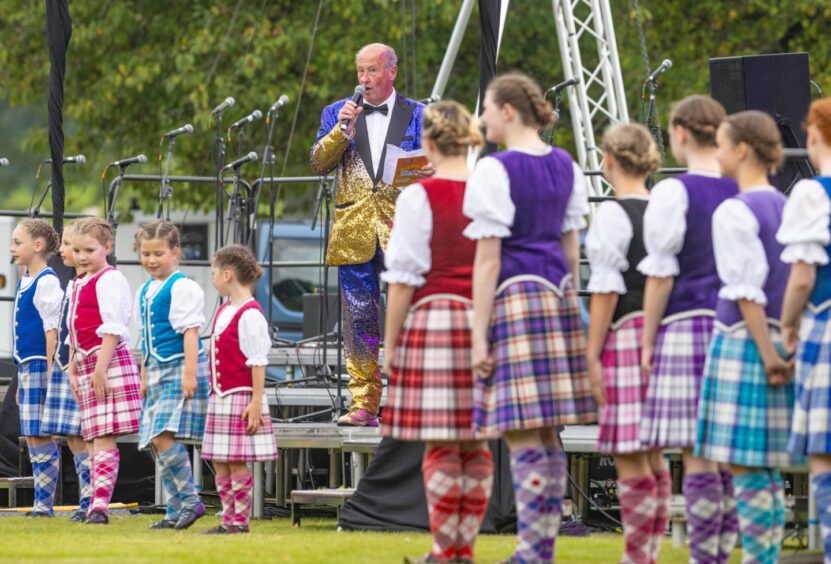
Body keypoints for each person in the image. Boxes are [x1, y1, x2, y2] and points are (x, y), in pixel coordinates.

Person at [465, 72, 595, 563]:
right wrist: (571, 305)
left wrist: (479, 334)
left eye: (487, 109)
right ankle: (539, 546)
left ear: (508, 111)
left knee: (524, 430)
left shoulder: (496, 170)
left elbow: (488, 260)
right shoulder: (566, 163)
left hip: (516, 295)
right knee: (545, 430)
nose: (481, 119)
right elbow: (570, 245)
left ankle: (533, 550)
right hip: (557, 294)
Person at [381, 100, 491, 564]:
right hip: (486, 316)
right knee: (477, 442)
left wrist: (390, 343)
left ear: (427, 144)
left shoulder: (418, 196)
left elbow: (404, 278)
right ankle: (461, 551)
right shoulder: (491, 190)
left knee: (442, 442)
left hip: (437, 316)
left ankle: (445, 552)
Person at [637, 95, 739, 563]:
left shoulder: (674, 193)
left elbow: (660, 276)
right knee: (725, 452)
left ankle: (705, 557)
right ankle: (720, 553)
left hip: (685, 324)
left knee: (697, 450)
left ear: (679, 133)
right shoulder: (743, 189)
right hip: (735, 326)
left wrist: (647, 338)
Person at [310, 42, 432, 427]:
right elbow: (318, 163)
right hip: (354, 230)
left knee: (411, 314)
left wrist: (433, 170)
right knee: (359, 318)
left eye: (372, 72)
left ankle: (413, 398)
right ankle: (364, 403)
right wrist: (341, 132)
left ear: (392, 71)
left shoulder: (419, 114)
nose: (364, 80)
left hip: (404, 229)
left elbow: (440, 163)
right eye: (360, 72)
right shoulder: (336, 112)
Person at [694, 110, 796, 563]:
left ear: (741, 149)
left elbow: (745, 292)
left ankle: (761, 559)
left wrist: (767, 353)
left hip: (746, 341)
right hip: (783, 337)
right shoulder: (786, 204)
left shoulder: (734, 210)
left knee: (748, 467)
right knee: (767, 469)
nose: (715, 153)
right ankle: (766, 557)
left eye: (719, 144)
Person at [586, 123, 669, 563]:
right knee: (653, 451)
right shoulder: (664, 210)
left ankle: (638, 554)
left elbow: (605, 289)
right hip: (662, 335)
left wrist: (593, 352)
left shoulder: (615, 214)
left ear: (611, 160)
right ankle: (649, 549)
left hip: (627, 333)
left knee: (630, 452)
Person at [778, 97, 831, 563]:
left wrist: (789, 325)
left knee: (826, 451)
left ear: (812, 137)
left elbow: (801, 277)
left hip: (826, 326)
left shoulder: (814, 194)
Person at [134, 220, 210, 530]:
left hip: (180, 367)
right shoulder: (144, 289)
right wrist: (143, 372)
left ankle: (191, 501)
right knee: (155, 440)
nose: (151, 260)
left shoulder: (182, 286)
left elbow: (191, 333)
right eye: (145, 254)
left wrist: (190, 374)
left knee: (163, 435)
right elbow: (146, 338)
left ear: (174, 252)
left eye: (158, 254)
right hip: (155, 369)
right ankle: (175, 508)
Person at [66, 217, 142, 524]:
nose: (82, 256)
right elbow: (73, 326)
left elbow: (112, 328)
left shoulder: (109, 279)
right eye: (77, 250)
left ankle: (100, 505)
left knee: (104, 437)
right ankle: (94, 501)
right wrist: (73, 363)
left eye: (90, 250)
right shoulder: (79, 281)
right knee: (94, 437)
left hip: (104, 360)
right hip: (85, 362)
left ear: (107, 247)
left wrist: (100, 368)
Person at [201, 245, 277, 535]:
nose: (213, 278)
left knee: (236, 462)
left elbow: (257, 361)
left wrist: (256, 400)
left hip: (240, 395)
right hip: (220, 395)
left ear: (228, 274)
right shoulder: (224, 309)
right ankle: (227, 518)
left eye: (214, 273)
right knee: (220, 460)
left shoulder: (250, 314)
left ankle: (239, 522)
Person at [11, 218, 62, 517]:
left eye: (18, 242)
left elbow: (51, 331)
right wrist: (19, 381)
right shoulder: (24, 280)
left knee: (42, 434)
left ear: (38, 246)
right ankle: (41, 503)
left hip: (42, 366)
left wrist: (52, 373)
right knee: (32, 435)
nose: (12, 247)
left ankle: (44, 504)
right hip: (27, 367)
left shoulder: (46, 280)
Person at [40, 221, 91, 521]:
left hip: (82, 364)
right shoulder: (72, 283)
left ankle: (91, 500)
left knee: (85, 435)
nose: (61, 250)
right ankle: (87, 498)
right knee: (72, 435)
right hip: (65, 362)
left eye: (67, 245)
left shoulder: (97, 282)